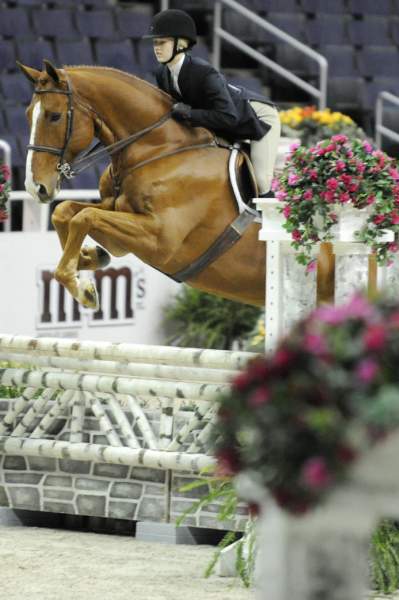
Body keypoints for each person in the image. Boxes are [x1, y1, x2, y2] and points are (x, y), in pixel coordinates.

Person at [143, 9, 281, 198]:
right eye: (155, 43)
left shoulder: (204, 72)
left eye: (162, 42)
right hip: (225, 123)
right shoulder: (162, 74)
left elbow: (228, 117)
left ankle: (266, 224)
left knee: (261, 181)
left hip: (257, 118)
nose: (156, 48)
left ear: (180, 44)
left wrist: (190, 114)